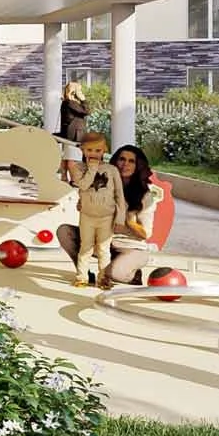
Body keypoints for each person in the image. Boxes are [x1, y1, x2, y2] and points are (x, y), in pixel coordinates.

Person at [103, 144, 169, 285]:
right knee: (67, 232)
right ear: (115, 162)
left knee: (113, 273)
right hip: (104, 241)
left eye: (131, 161)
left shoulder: (145, 195)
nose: (125, 164)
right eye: (122, 159)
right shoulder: (106, 186)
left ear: (138, 166)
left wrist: (130, 221)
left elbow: (146, 234)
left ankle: (132, 275)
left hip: (132, 246)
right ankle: (96, 268)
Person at [71, 132, 121, 288]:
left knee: (104, 248)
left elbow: (119, 193)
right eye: (89, 150)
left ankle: (103, 278)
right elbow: (84, 185)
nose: (93, 154)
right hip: (87, 215)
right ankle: (81, 276)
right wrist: (92, 169)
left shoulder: (111, 170)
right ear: (83, 150)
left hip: (107, 216)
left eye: (98, 151)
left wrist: (120, 217)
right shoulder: (77, 168)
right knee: (85, 246)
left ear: (104, 150)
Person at [57, 80, 89, 187]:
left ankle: (64, 177)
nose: (81, 92)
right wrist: (83, 99)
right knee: (73, 158)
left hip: (70, 133)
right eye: (79, 90)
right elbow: (86, 111)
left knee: (67, 156)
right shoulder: (71, 103)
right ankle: (75, 179)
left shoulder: (66, 103)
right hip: (75, 135)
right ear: (74, 92)